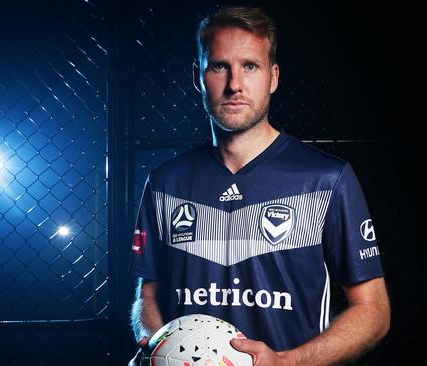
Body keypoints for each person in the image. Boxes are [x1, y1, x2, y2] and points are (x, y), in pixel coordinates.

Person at [128, 6, 390, 365]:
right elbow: (149, 296)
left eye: (250, 66)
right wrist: (159, 348)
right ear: (197, 77)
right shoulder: (165, 183)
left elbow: (373, 311)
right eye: (220, 66)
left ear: (273, 77)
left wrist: (286, 362)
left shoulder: (326, 179)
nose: (235, 84)